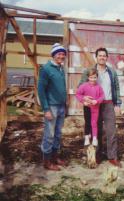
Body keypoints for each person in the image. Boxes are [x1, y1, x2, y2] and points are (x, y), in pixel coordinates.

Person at [79, 48, 122, 167]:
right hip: (94, 105)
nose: (102, 57)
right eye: (100, 55)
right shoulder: (89, 71)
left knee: (111, 131)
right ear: (96, 57)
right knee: (95, 131)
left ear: (107, 58)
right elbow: (80, 88)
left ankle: (112, 157)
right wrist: (85, 99)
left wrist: (117, 104)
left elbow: (117, 88)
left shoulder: (112, 72)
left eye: (104, 56)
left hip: (108, 104)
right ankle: (97, 155)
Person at [38, 43, 68, 171]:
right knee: (49, 134)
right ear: (54, 55)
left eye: (63, 54)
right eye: (59, 54)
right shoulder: (46, 69)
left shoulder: (61, 68)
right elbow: (41, 90)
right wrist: (46, 109)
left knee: (58, 134)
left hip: (61, 106)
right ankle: (47, 161)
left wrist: (65, 104)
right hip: (51, 107)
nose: (61, 56)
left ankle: (55, 157)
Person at [76, 68, 104, 147]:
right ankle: (86, 137)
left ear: (97, 78)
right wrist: (83, 100)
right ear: (88, 77)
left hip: (96, 108)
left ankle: (95, 138)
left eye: (94, 77)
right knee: (87, 122)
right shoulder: (84, 86)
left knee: (94, 123)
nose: (93, 79)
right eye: (91, 77)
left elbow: (102, 96)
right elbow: (78, 94)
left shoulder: (99, 87)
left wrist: (97, 101)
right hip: (87, 107)